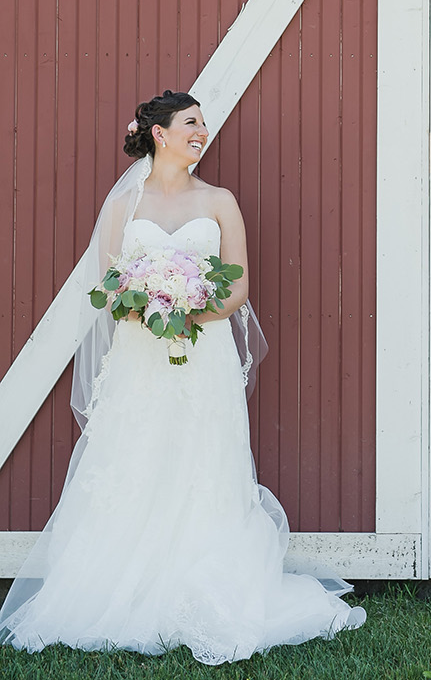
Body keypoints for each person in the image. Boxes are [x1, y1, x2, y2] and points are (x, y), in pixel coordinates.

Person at [0, 90, 365, 664]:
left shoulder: (220, 200)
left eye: (204, 124)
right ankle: (122, 587)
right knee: (136, 458)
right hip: (140, 360)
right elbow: (111, 286)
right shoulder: (124, 205)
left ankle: (208, 588)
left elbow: (239, 286)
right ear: (159, 133)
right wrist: (149, 307)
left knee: (204, 460)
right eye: (190, 123)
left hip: (205, 355)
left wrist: (188, 311)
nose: (201, 131)